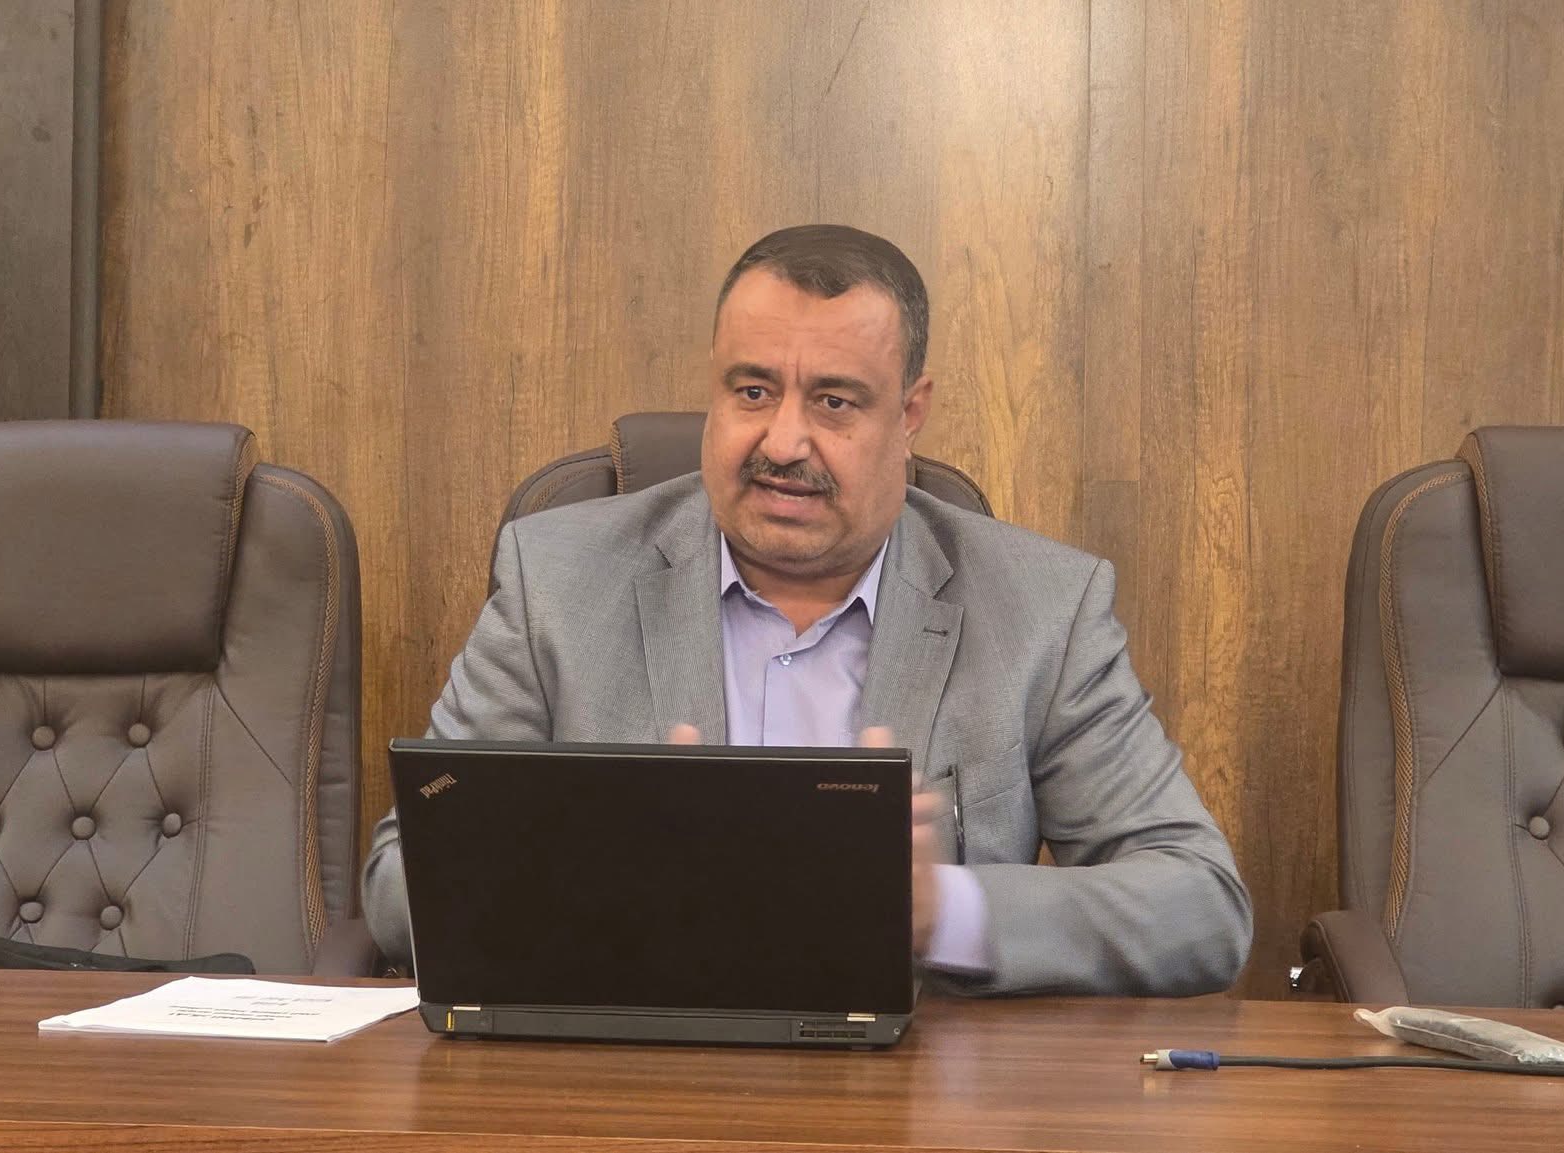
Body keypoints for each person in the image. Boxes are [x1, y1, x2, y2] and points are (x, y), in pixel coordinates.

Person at [364, 224, 1251, 995]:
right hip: (632, 1079)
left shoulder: (1042, 608)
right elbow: (402, 880)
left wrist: (940, 908)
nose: (784, 442)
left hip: (908, 1095)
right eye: (752, 391)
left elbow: (1201, 906)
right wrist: (610, 878)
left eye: (834, 401)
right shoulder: (557, 581)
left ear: (911, 412)